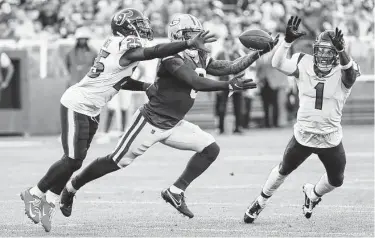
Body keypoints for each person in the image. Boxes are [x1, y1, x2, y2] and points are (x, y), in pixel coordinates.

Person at [59, 13, 279, 220]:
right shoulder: (170, 57)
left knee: (210, 149)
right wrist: (228, 85)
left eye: (197, 32)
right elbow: (195, 81)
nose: (197, 37)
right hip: (151, 121)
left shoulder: (199, 54)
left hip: (174, 123)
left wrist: (257, 53)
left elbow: (228, 66)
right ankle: (71, 187)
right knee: (116, 161)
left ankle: (175, 191)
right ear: (179, 36)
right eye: (191, 33)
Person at [20, 8, 216, 232]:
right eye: (139, 24)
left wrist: (143, 86)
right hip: (77, 103)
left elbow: (119, 79)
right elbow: (154, 51)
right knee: (72, 159)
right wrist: (186, 44)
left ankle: (50, 202)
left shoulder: (119, 46)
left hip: (91, 108)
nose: (144, 27)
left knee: (76, 161)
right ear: (127, 28)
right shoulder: (126, 45)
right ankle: (34, 193)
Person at [243, 16, 360, 223]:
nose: (323, 54)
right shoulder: (303, 61)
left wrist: (343, 51)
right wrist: (286, 42)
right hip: (303, 134)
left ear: (336, 53)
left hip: (329, 137)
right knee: (283, 170)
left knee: (337, 180)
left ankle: (313, 194)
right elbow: (277, 63)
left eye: (329, 50)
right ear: (315, 49)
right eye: (321, 49)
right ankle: (259, 202)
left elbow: (350, 76)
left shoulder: (344, 70)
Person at [215, 35, 245, 134]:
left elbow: (243, 67)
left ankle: (238, 127)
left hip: (236, 83)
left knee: (238, 106)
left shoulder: (237, 54)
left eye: (230, 42)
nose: (228, 44)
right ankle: (220, 128)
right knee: (222, 106)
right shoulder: (220, 54)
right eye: (226, 41)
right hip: (224, 83)